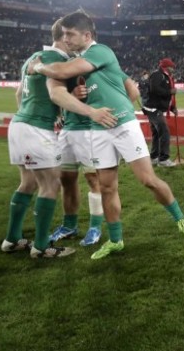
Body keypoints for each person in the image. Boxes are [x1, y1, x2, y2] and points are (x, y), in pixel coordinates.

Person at [28, 10, 184, 260]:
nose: (66, 39)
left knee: (148, 180)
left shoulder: (100, 51)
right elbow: (65, 85)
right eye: (63, 35)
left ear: (87, 35)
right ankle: (115, 240)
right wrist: (77, 98)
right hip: (96, 130)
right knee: (107, 187)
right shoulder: (75, 62)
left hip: (122, 126)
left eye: (70, 34)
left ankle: (180, 218)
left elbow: (67, 73)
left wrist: (38, 66)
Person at [2, 19, 111, 258]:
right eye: (69, 35)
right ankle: (41, 247)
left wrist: (33, 114)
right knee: (50, 185)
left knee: (28, 183)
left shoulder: (34, 57)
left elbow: (19, 93)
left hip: (19, 124)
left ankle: (11, 239)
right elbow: (56, 94)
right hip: (37, 129)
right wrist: (79, 105)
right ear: (63, 37)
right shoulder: (58, 61)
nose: (72, 41)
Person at [50, 72, 140, 247]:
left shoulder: (101, 63)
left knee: (94, 179)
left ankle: (95, 228)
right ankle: (69, 226)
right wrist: (64, 108)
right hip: (68, 129)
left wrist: (117, 114)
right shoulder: (67, 67)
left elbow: (133, 91)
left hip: (90, 131)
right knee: (66, 179)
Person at [144, 58, 178, 167]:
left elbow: (164, 97)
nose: (173, 69)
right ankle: (163, 159)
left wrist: (172, 108)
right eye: (171, 67)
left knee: (157, 133)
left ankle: (154, 157)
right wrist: (170, 91)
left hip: (154, 108)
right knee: (164, 132)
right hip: (153, 109)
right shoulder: (157, 75)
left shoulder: (165, 76)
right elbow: (155, 89)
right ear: (166, 67)